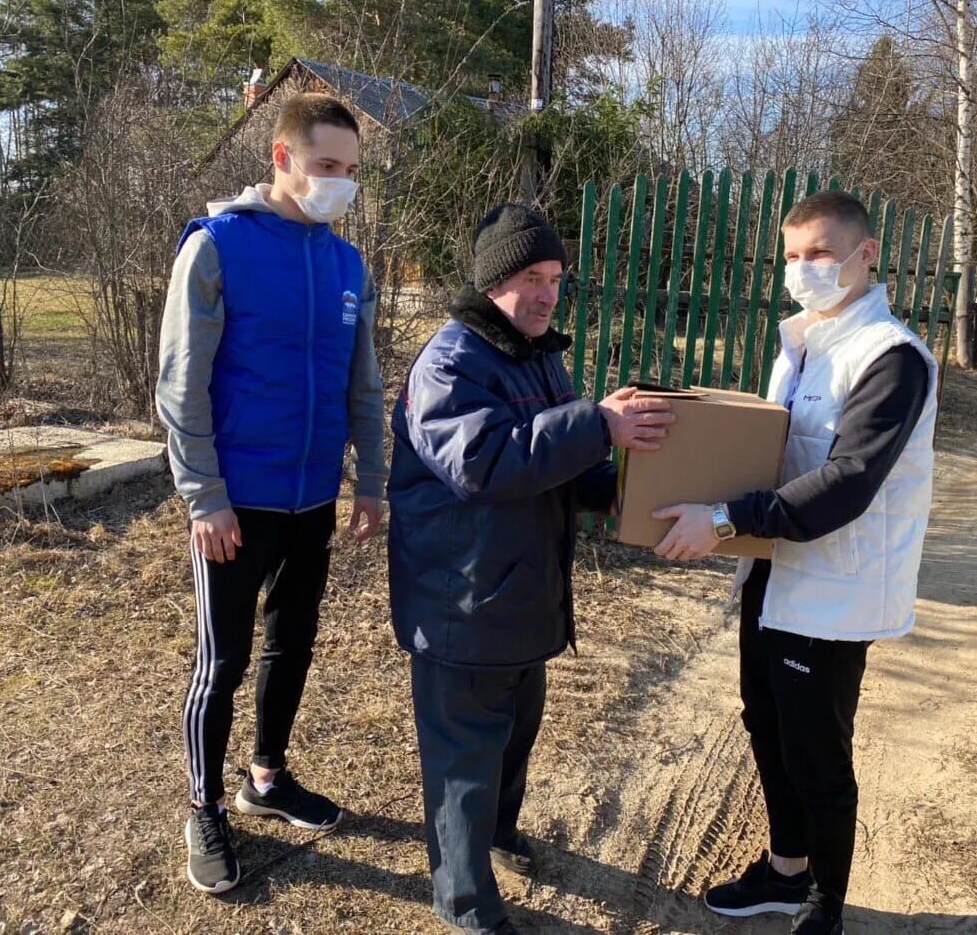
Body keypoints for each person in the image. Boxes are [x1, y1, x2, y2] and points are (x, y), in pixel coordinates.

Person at [649, 191, 937, 935]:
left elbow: (845, 483)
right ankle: (786, 870)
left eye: (821, 253)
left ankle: (825, 905)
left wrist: (723, 520)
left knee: (818, 750)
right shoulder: (805, 342)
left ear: (865, 254)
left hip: (834, 586)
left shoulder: (890, 357)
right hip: (773, 570)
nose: (804, 268)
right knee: (766, 722)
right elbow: (773, 452)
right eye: (794, 254)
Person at [387, 204, 675, 935]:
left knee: (514, 735)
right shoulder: (449, 362)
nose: (547, 294)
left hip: (517, 596)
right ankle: (466, 905)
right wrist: (595, 425)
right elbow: (484, 462)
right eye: (529, 278)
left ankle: (499, 836)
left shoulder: (536, 354)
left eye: (555, 279)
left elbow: (553, 463)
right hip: (463, 603)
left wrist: (619, 490)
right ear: (490, 285)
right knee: (464, 765)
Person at [156, 92, 387, 895]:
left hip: (312, 499)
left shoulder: (346, 262)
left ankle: (266, 777)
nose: (340, 186)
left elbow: (363, 384)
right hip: (236, 502)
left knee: (293, 644)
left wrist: (372, 482)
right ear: (282, 159)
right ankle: (204, 805)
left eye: (352, 173)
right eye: (328, 167)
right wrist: (204, 496)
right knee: (222, 661)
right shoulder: (218, 245)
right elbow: (181, 385)